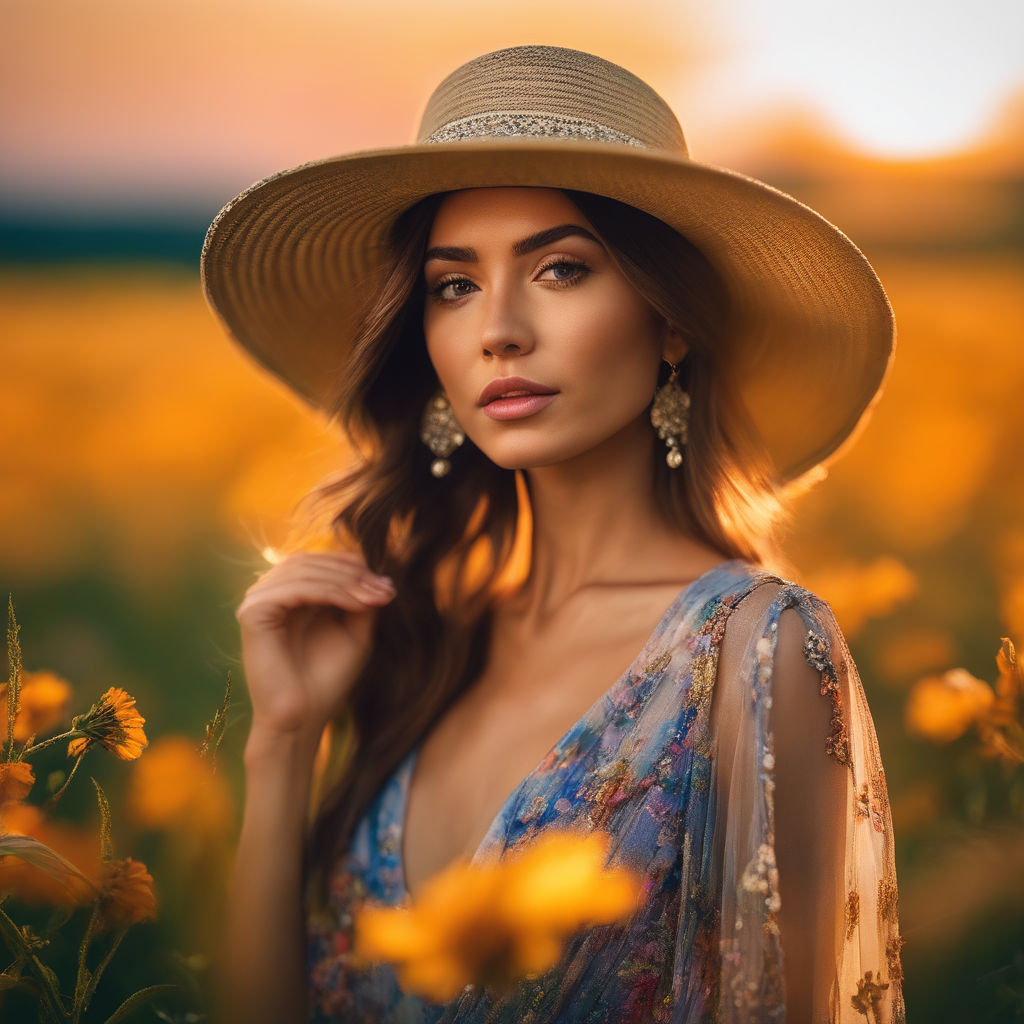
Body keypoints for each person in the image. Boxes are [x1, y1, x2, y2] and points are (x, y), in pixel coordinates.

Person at [201, 45, 906, 1024]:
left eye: (560, 268)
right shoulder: (419, 636)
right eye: (453, 285)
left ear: (668, 324)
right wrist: (283, 745)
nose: (498, 327)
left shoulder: (754, 649)